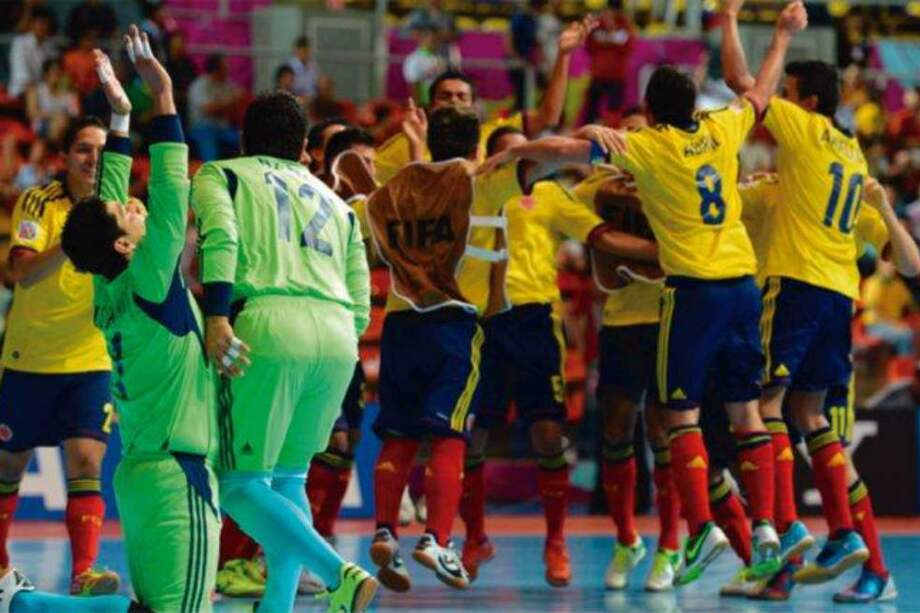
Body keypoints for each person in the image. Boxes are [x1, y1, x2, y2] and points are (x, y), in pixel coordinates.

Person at [365, 102, 626, 592]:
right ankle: (436, 538)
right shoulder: (479, 183)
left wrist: (416, 149)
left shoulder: (394, 190)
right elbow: (556, 152)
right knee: (451, 437)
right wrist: (588, 140)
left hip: (402, 326)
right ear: (474, 148)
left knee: (398, 437)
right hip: (455, 326)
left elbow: (377, 211)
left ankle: (384, 529)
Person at [598, 1, 807, 586]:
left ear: (647, 111)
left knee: (679, 413)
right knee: (747, 414)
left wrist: (571, 139)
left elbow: (573, 154)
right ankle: (765, 526)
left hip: (693, 293)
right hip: (744, 289)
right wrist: (783, 36)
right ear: (694, 105)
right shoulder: (721, 128)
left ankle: (699, 530)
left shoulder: (649, 147)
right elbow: (761, 91)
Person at [192, 90, 377, 613]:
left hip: (266, 326)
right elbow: (361, 296)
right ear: (303, 146)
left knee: (236, 482)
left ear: (245, 138)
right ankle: (278, 606)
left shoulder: (220, 175)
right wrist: (339, 334)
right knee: (290, 477)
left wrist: (219, 316)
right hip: (339, 336)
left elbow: (222, 241)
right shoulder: (337, 205)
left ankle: (336, 572)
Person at [721, 0, 881, 590]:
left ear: (807, 100)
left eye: (789, 90)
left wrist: (765, 31)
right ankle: (844, 533)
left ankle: (785, 526)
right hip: (841, 290)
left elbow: (745, 85)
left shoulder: (805, 127)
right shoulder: (851, 149)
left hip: (796, 281)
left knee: (765, 406)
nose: (780, 94)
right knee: (812, 415)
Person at [61, 28, 223, 612]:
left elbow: (100, 209)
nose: (133, 202)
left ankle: (34, 605)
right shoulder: (151, 277)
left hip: (141, 474)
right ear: (127, 246)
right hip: (176, 479)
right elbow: (172, 188)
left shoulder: (110, 286)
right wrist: (164, 100)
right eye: (124, 211)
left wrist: (121, 120)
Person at [460, 124, 658, 588]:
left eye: (529, 158)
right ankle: (474, 537)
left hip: (534, 322)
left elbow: (601, 237)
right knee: (472, 438)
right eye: (513, 157)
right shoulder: (473, 190)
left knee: (549, 435)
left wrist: (664, 251)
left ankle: (556, 541)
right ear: (493, 162)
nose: (526, 166)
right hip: (480, 324)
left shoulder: (548, 197)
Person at [0, 114, 120, 596]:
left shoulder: (120, 211)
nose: (93, 159)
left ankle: (83, 573)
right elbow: (21, 273)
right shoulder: (39, 201)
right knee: (9, 468)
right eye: (83, 149)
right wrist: (73, 243)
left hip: (90, 358)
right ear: (66, 157)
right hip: (30, 358)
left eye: (101, 150)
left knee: (88, 464)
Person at [374, 15, 596, 185]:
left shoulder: (492, 137)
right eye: (445, 96)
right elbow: (368, 182)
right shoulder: (403, 145)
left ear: (473, 107)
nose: (453, 101)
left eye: (462, 97)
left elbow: (547, 118)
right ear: (431, 106)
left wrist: (563, 55)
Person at [583, 0, 635, 123]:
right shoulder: (598, 24)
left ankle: (611, 133)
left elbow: (628, 47)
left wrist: (608, 36)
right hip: (599, 74)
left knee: (614, 111)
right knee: (591, 110)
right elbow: (589, 46)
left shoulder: (625, 25)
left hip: (617, 75)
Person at [187, 54, 242, 162]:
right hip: (202, 126)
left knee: (242, 141)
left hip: (223, 127)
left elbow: (240, 97)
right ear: (216, 69)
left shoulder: (227, 84)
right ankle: (209, 172)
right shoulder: (199, 85)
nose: (228, 69)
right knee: (210, 154)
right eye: (225, 67)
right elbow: (208, 109)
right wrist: (229, 103)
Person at [25, 58, 80, 142]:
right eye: (54, 71)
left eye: (59, 71)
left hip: (64, 124)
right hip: (42, 124)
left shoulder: (68, 93)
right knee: (60, 121)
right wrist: (54, 116)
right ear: (46, 74)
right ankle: (52, 146)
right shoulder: (36, 90)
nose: (57, 74)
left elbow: (75, 113)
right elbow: (32, 113)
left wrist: (73, 95)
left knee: (64, 122)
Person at [8, 6, 56, 98]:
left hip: (43, 93)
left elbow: (52, 76)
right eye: (40, 23)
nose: (43, 27)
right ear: (31, 24)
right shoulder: (20, 43)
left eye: (46, 23)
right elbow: (22, 78)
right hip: (21, 92)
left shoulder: (50, 46)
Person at [287, 35, 319, 100]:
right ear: (297, 50)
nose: (306, 53)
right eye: (304, 50)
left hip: (310, 100)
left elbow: (316, 85)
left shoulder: (313, 66)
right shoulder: (289, 66)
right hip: (294, 98)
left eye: (308, 50)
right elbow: (288, 86)